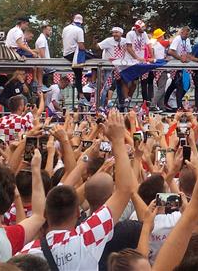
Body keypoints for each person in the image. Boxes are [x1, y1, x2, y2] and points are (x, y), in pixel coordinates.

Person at [19, 110, 138, 270]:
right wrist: (117, 140)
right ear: (77, 213)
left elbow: (64, 188)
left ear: (45, 213)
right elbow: (125, 189)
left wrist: (85, 157)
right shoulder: (87, 236)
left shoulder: (25, 255)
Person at [61, 14, 88, 106]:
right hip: (74, 54)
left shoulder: (65, 28)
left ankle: (81, 96)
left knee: (78, 74)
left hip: (66, 54)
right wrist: (86, 51)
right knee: (94, 57)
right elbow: (81, 45)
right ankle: (81, 96)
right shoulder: (79, 30)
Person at [124, 20, 153, 106]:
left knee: (138, 82)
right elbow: (129, 48)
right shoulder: (130, 34)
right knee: (129, 81)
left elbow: (149, 45)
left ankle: (134, 98)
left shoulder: (144, 34)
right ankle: (126, 98)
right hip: (130, 61)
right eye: (142, 27)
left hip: (141, 61)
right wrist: (136, 58)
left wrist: (152, 56)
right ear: (137, 28)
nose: (144, 29)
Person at [97, 27, 127, 107]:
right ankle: (101, 105)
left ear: (121, 33)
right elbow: (98, 46)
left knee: (121, 85)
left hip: (120, 67)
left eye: (116, 32)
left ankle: (122, 105)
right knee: (107, 86)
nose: (114, 34)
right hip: (110, 67)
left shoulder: (125, 41)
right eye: (113, 32)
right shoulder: (108, 41)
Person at [165, 26, 193, 111]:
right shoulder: (177, 39)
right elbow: (170, 51)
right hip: (176, 65)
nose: (187, 35)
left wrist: (188, 58)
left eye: (188, 33)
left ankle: (165, 101)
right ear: (182, 32)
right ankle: (179, 106)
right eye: (185, 33)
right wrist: (180, 58)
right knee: (179, 84)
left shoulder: (187, 40)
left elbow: (189, 52)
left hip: (184, 66)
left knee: (180, 85)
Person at [150, 28, 170, 110]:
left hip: (156, 67)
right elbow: (171, 41)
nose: (163, 37)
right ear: (160, 36)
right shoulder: (161, 43)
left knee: (160, 87)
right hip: (162, 66)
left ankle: (161, 106)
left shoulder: (154, 44)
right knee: (162, 88)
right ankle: (153, 104)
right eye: (162, 35)